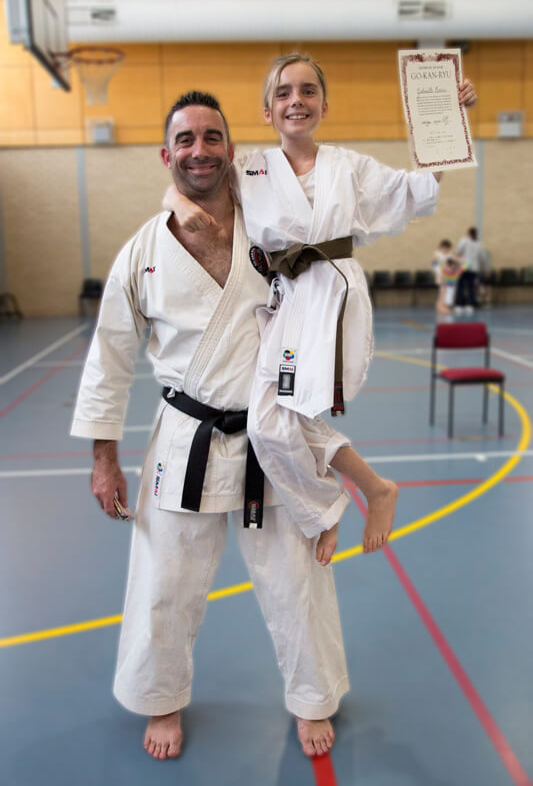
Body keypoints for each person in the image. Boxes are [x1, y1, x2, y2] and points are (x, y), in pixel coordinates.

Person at [71, 92, 359, 762]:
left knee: (297, 580)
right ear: (166, 154)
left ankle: (312, 698)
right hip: (185, 437)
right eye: (185, 139)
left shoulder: (276, 227)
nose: (199, 149)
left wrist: (444, 123)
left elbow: (332, 276)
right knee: (164, 581)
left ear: (231, 149)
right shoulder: (142, 251)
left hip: (272, 434)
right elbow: (109, 358)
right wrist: (103, 458)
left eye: (211, 136)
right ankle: (160, 700)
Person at [164, 54, 477, 552]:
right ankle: (364, 492)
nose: (296, 100)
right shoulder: (250, 169)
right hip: (284, 300)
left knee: (289, 415)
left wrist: (450, 123)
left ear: (324, 105)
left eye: (308, 91)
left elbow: (416, 190)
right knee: (269, 423)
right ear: (267, 110)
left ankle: (334, 509)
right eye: (283, 92)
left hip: (332, 296)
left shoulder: (349, 167)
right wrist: (179, 205)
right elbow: (190, 184)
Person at [455, 226, 484, 313]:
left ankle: (459, 305)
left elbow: (458, 251)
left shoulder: (464, 240)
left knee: (460, 286)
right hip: (474, 268)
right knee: (471, 287)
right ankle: (470, 305)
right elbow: (480, 257)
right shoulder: (478, 243)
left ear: (469, 233)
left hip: (465, 266)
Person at [432, 238, 453, 313]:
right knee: (443, 290)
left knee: (446, 290)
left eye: (447, 248)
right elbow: (434, 264)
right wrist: (440, 270)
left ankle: (443, 305)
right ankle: (440, 305)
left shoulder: (449, 255)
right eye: (444, 248)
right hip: (441, 274)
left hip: (448, 274)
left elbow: (451, 264)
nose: (446, 250)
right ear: (441, 247)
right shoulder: (438, 254)